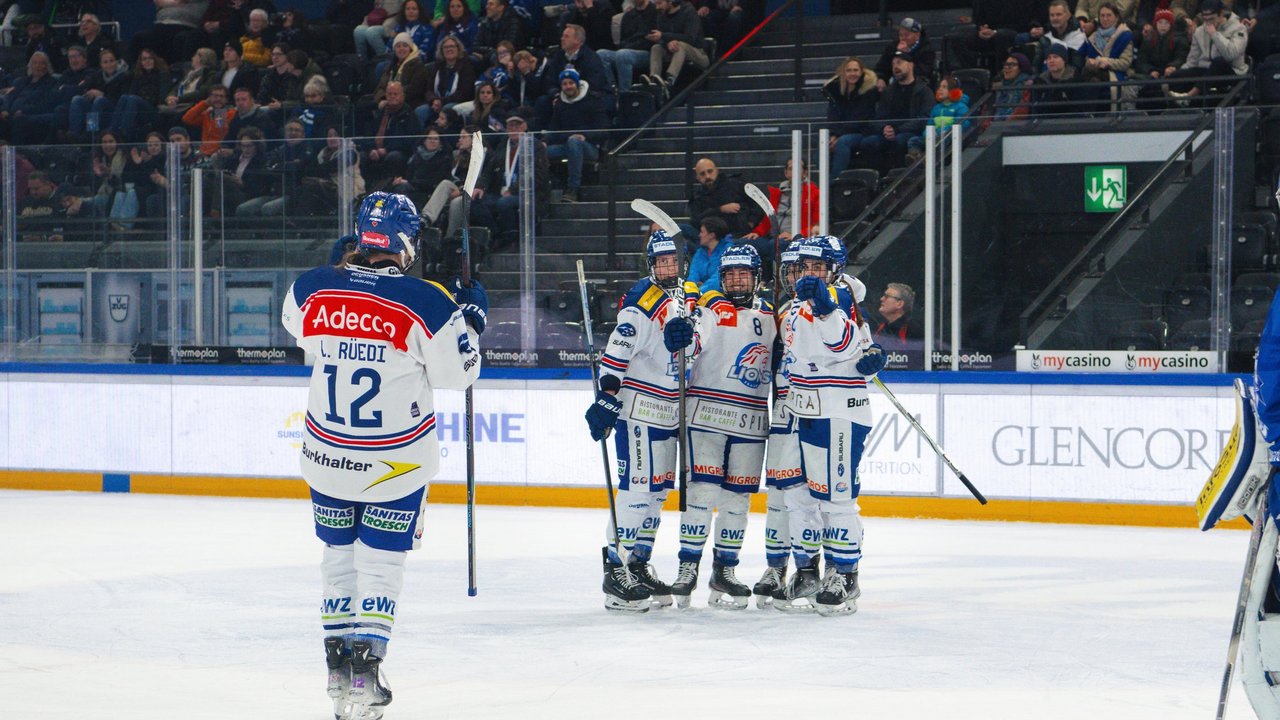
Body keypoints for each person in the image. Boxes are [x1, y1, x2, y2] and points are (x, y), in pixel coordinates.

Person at [281, 191, 487, 720]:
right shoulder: (428, 300)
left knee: (337, 562)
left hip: (325, 456)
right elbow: (458, 375)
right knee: (380, 565)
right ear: (407, 241)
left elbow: (300, 330)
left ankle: (335, 670)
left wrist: (340, 274)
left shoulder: (311, 286)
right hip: (394, 465)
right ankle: (365, 673)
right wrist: (471, 322)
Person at [583, 230, 700, 612]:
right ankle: (615, 570)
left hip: (669, 412)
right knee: (636, 490)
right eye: (661, 262)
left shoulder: (686, 298)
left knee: (656, 494)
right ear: (651, 266)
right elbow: (617, 357)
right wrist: (607, 397)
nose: (668, 268)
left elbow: (697, 347)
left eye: (673, 261)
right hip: (639, 411)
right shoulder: (641, 303)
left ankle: (638, 562)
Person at [774, 235, 884, 614]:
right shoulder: (796, 305)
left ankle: (846, 575)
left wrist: (824, 309)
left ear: (834, 269)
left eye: (817, 267)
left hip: (838, 410)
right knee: (800, 497)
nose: (809, 273)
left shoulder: (838, 299)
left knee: (837, 500)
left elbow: (840, 346)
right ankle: (808, 572)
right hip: (803, 409)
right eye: (803, 267)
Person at [665, 243, 773, 609]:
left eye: (743, 273)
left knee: (737, 501)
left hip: (752, 420)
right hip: (708, 414)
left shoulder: (774, 314)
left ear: (757, 277)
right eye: (729, 274)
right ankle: (687, 569)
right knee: (701, 496)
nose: (736, 280)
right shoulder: (712, 308)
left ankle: (724, 571)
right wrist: (681, 337)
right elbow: (691, 347)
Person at [754, 238, 804, 607]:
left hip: (822, 412)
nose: (794, 275)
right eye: (788, 269)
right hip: (784, 411)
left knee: (818, 499)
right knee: (779, 495)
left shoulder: (833, 303)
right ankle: (776, 568)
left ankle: (824, 570)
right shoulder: (783, 310)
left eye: (800, 268)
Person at [1165, 0, 1248, 103]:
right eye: (1205, 19)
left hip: (1232, 72)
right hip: (1207, 71)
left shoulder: (1238, 28)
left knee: (1218, 62)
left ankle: (1190, 96)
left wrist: (1214, 35)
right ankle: (1177, 108)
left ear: (1221, 14)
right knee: (1177, 76)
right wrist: (1179, 71)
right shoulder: (1199, 31)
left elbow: (1231, 54)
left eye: (1211, 19)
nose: (1208, 23)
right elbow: (1192, 61)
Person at [545, 68, 609, 203]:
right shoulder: (560, 104)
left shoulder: (593, 100)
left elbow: (604, 130)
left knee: (574, 142)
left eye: (570, 83)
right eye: (564, 84)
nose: (568, 86)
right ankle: (547, 187)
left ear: (577, 83)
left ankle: (573, 189)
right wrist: (544, 141)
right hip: (565, 145)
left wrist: (584, 136)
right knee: (538, 150)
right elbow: (554, 129)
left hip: (590, 147)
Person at [862, 52, 934, 170]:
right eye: (893, 64)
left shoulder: (924, 91)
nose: (895, 67)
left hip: (912, 132)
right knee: (868, 142)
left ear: (910, 65)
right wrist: (884, 128)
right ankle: (877, 180)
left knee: (901, 141)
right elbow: (878, 117)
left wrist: (898, 129)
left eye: (899, 63)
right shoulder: (888, 91)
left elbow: (925, 118)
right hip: (889, 132)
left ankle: (901, 179)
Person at [824, 57, 880, 179]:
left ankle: (834, 181)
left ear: (861, 72)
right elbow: (833, 116)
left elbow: (859, 119)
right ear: (843, 73)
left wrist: (838, 136)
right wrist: (833, 135)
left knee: (843, 142)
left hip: (863, 131)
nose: (852, 73)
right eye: (849, 70)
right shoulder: (835, 92)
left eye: (856, 70)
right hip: (840, 132)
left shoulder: (868, 91)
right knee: (823, 144)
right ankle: (822, 181)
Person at [742, 158, 818, 245]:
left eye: (798, 168)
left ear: (805, 173)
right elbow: (768, 219)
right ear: (786, 173)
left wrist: (796, 235)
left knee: (776, 245)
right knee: (742, 243)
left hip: (797, 239)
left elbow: (817, 225)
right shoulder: (777, 193)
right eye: (791, 168)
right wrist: (757, 232)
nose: (794, 171)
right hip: (772, 237)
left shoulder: (814, 193)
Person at [645, 0, 708, 98]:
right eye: (656, 4)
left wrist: (665, 36)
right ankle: (654, 81)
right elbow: (663, 40)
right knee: (656, 48)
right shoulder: (661, 14)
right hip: (674, 53)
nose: (657, 7)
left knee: (681, 45)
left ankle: (670, 81)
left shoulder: (689, 11)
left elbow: (690, 38)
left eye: (660, 3)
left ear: (670, 2)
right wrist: (667, 42)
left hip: (698, 53)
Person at [688, 157, 762, 239]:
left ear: (717, 171)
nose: (707, 176)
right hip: (713, 240)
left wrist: (751, 223)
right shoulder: (697, 198)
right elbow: (696, 220)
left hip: (743, 235)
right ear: (697, 177)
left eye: (710, 171)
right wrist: (720, 210)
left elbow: (758, 204)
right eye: (702, 174)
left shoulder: (736, 185)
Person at [1079, 2, 1135, 108]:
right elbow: (1085, 58)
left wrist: (1106, 62)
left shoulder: (1125, 35)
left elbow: (1125, 62)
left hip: (1116, 74)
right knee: (1088, 78)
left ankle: (1088, 115)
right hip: (1095, 73)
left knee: (1092, 80)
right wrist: (1089, 63)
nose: (1105, 19)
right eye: (1102, 16)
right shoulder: (1093, 37)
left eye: (1109, 15)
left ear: (1116, 17)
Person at [600, 0, 658, 92]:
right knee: (601, 54)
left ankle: (625, 94)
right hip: (627, 50)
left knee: (623, 55)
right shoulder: (628, 16)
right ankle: (612, 91)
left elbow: (650, 39)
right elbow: (624, 40)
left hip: (648, 52)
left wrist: (630, 46)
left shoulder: (655, 12)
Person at [872, 17, 935, 91]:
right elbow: (881, 67)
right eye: (901, 35)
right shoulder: (892, 47)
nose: (903, 38)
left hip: (916, 86)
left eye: (907, 35)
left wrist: (904, 54)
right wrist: (881, 78)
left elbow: (924, 72)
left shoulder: (927, 50)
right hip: (894, 86)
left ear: (917, 35)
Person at [182, 85, 238, 157]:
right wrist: (205, 103)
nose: (218, 99)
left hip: (219, 154)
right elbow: (187, 119)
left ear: (226, 99)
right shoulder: (207, 114)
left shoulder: (231, 114)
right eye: (215, 96)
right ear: (209, 98)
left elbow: (220, 133)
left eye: (221, 96)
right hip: (203, 153)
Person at [686, 216, 734, 292]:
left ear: (712, 235)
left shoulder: (729, 251)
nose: (699, 235)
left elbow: (719, 279)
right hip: (699, 296)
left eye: (702, 232)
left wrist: (700, 290)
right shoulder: (699, 252)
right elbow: (693, 275)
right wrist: (690, 291)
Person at [873, 282, 919, 351]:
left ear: (899, 304)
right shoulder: (879, 329)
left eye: (887, 296)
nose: (881, 299)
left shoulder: (914, 331)